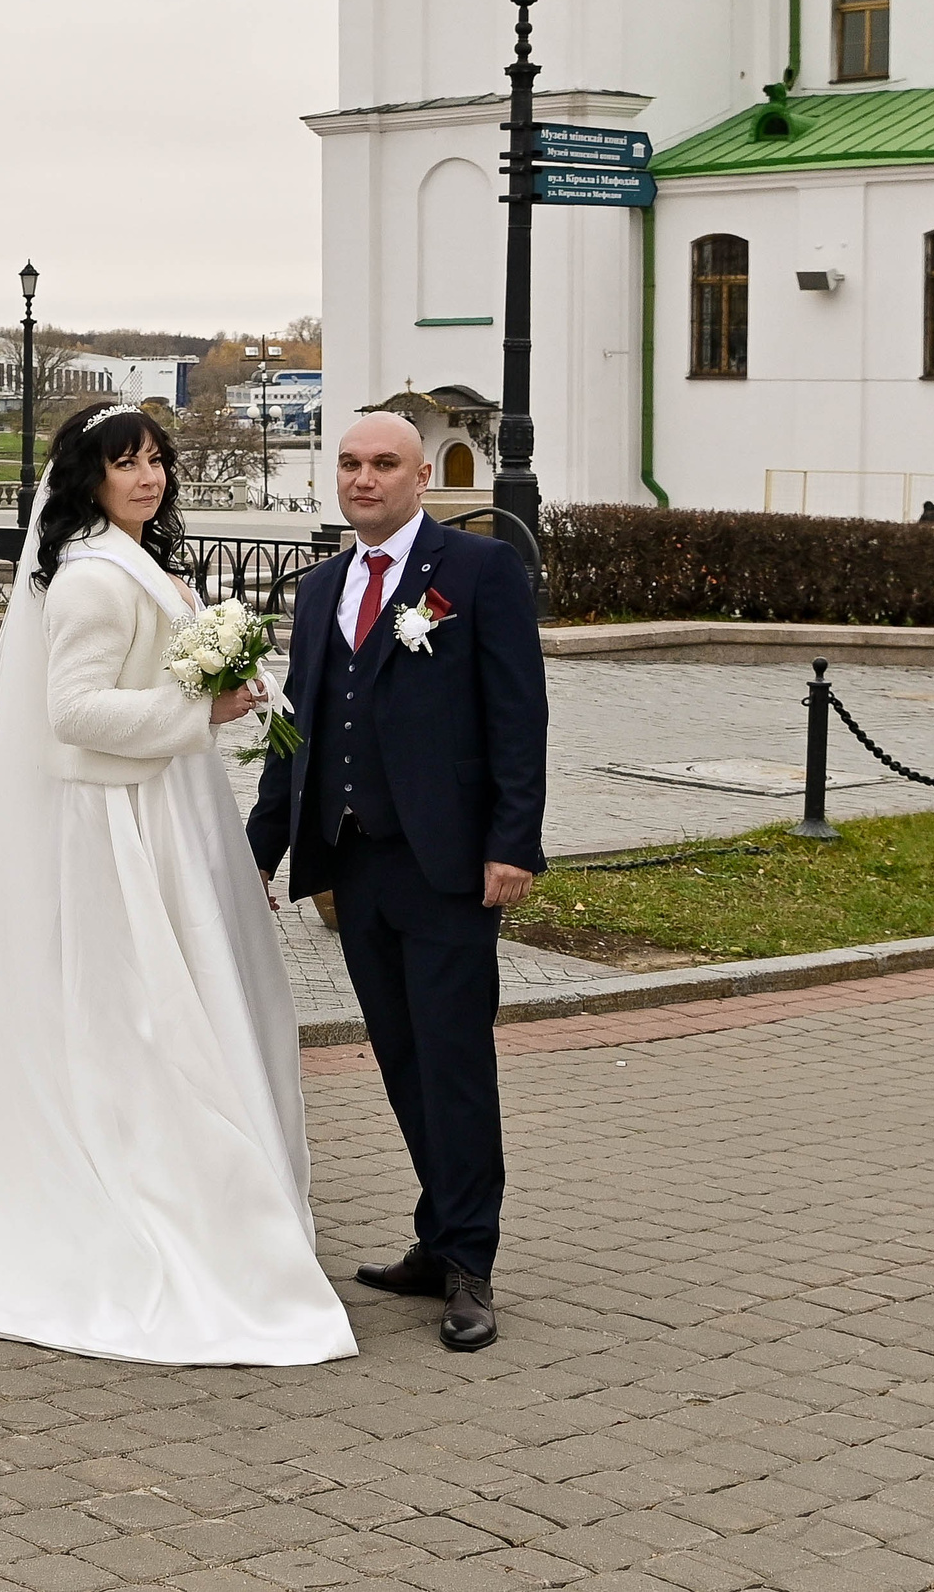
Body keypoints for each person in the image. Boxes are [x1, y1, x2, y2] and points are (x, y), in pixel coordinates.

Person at [0, 403, 356, 1367]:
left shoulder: (130, 561)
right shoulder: (94, 576)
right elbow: (73, 713)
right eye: (126, 463)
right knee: (141, 1011)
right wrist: (202, 704)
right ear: (88, 475)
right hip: (117, 824)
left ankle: (199, 1197)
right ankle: (150, 1203)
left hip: (163, 804)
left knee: (170, 1001)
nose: (149, 477)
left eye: (157, 462)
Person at [248, 411, 547, 1354]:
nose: (363, 478)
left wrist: (514, 842)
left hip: (450, 863)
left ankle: (469, 1262)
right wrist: (257, 846)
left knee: (454, 1058)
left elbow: (518, 713)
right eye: (349, 463)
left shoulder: (478, 572)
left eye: (384, 463)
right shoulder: (322, 586)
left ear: (424, 476)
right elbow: (295, 729)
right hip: (355, 862)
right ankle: (438, 1231)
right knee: (400, 1055)